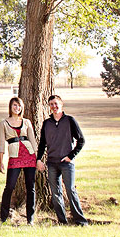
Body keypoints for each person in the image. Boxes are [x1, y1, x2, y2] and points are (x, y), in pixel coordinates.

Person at [36, 95, 88, 226]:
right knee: (55, 194)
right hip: (51, 163)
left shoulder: (70, 121)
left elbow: (81, 140)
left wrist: (71, 156)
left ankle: (81, 221)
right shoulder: (46, 123)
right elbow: (42, 144)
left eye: (56, 103)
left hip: (66, 163)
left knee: (70, 190)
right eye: (51, 104)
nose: (54, 106)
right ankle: (62, 221)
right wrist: (38, 159)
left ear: (61, 104)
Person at [0, 97, 37, 224]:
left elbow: (33, 140)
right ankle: (3, 217)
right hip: (15, 156)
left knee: (31, 187)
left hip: (29, 155)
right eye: (14, 105)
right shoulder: (3, 123)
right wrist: (1, 161)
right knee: (9, 186)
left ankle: (30, 218)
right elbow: (1, 143)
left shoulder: (26, 122)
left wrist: (38, 158)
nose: (17, 108)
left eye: (19, 106)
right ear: (10, 107)